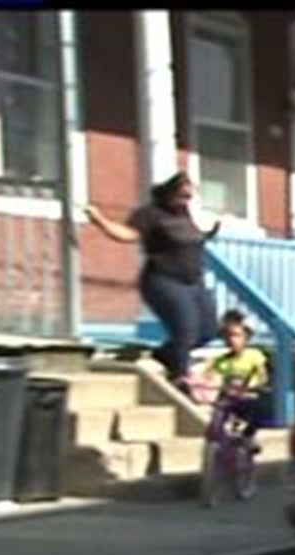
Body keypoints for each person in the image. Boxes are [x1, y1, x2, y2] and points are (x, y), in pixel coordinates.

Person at [84, 173, 222, 386]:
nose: (185, 201)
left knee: (209, 330)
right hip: (164, 280)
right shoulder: (150, 214)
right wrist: (99, 220)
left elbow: (194, 239)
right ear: (170, 193)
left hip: (194, 281)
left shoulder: (186, 214)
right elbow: (127, 234)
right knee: (186, 329)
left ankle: (167, 354)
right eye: (182, 196)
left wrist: (211, 230)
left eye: (189, 196)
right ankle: (180, 376)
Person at [187, 310, 274, 444]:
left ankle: (248, 438)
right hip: (229, 398)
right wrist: (197, 382)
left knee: (257, 413)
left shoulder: (253, 355)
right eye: (227, 337)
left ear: (246, 337)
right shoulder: (222, 360)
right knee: (218, 416)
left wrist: (256, 386)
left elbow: (263, 376)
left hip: (248, 396)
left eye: (236, 336)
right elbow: (207, 376)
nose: (232, 340)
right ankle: (217, 441)